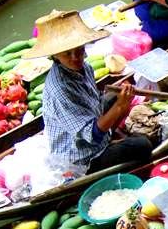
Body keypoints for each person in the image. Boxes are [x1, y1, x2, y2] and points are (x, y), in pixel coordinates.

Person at [26, 10, 151, 173]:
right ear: (55, 56)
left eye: (79, 50)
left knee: (115, 97)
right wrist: (120, 106)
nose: (75, 57)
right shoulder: (61, 89)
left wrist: (120, 103)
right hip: (81, 156)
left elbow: (97, 101)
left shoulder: (84, 67)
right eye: (67, 54)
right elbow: (92, 134)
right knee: (143, 145)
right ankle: (110, 145)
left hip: (91, 128)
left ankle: (112, 136)